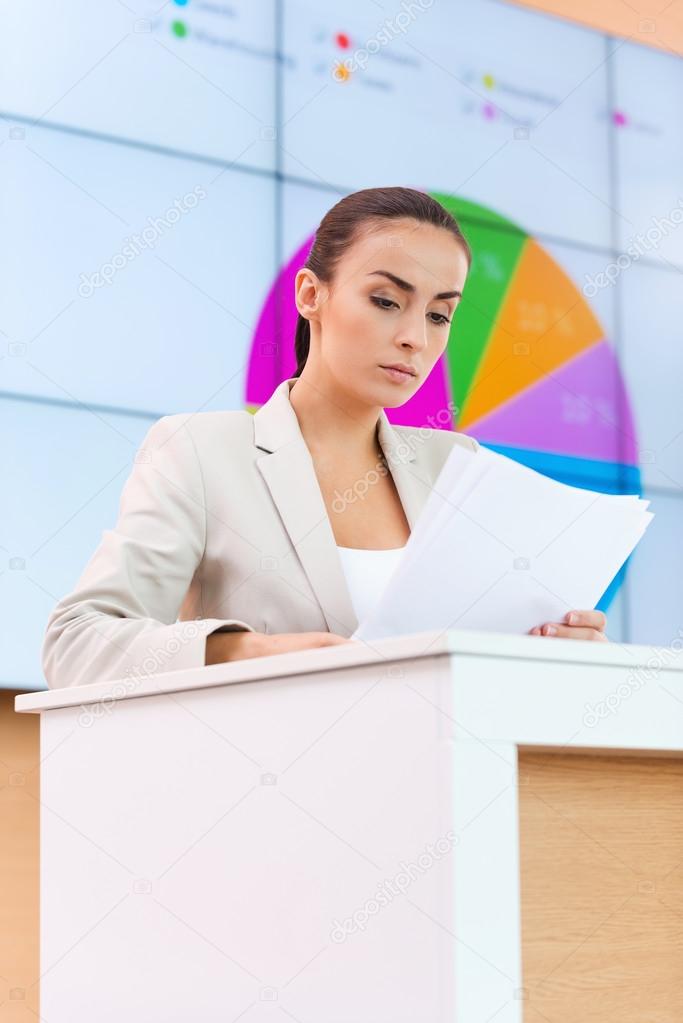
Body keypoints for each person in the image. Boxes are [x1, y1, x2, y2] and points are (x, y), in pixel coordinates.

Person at [42, 186, 607, 690]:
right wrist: (253, 652)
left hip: (446, 789)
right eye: (386, 301)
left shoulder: (459, 467)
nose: (414, 338)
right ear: (311, 295)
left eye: (439, 316)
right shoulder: (199, 451)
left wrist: (562, 658)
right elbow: (75, 641)